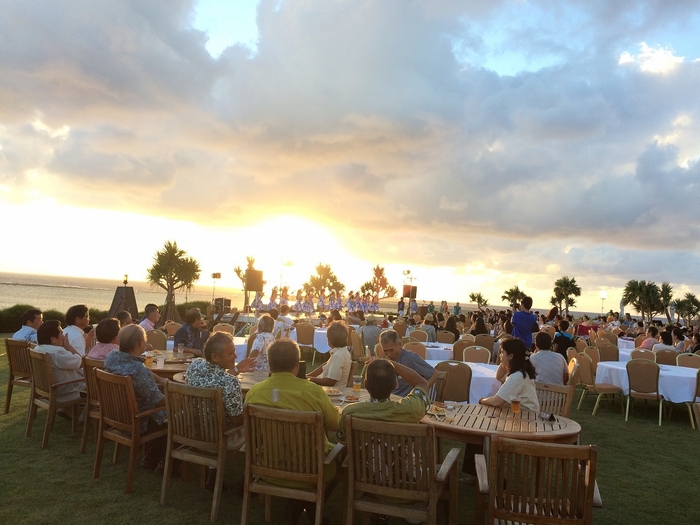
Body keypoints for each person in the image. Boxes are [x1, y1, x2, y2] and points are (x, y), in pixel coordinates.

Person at [245, 339, 340, 521]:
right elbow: (335, 425)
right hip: (311, 472)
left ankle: (298, 504)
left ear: (270, 365)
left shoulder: (254, 393)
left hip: (267, 468)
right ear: (297, 366)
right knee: (342, 456)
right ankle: (311, 506)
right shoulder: (313, 392)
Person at [184, 331, 257, 488]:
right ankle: (250, 479)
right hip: (217, 439)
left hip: (190, 432)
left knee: (215, 419)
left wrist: (236, 370)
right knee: (259, 428)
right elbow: (237, 421)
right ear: (215, 357)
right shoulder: (230, 383)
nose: (236, 357)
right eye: (231, 353)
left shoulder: (194, 365)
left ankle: (213, 474)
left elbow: (214, 379)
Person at [104, 324, 167, 471]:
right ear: (140, 342)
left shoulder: (112, 357)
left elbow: (144, 371)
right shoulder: (138, 371)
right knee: (175, 415)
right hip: (138, 421)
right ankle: (156, 459)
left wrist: (161, 381)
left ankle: (153, 456)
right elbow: (158, 401)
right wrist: (178, 398)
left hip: (116, 416)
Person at [336, 358, 430, 442]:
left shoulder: (350, 412)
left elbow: (343, 439)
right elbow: (423, 384)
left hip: (362, 461)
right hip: (400, 461)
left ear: (366, 384)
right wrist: (393, 363)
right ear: (395, 385)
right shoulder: (411, 409)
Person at [479, 338, 539, 412]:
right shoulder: (521, 372)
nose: (500, 355)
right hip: (520, 415)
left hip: (526, 417)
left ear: (511, 356)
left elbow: (496, 402)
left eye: (502, 353)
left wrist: (481, 400)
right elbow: (499, 377)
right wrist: (504, 360)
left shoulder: (517, 376)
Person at [34, 320, 84, 403]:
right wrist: (68, 346)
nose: (63, 336)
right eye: (61, 333)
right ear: (53, 339)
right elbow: (81, 363)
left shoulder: (38, 348)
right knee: (99, 387)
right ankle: (85, 415)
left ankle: (68, 410)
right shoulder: (57, 352)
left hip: (49, 389)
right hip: (67, 391)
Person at [380, 330, 437, 397]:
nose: (388, 354)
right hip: (389, 398)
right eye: (385, 351)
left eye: (391, 350)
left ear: (399, 344)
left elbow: (435, 374)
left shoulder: (411, 358)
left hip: (405, 400)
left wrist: (422, 392)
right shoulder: (384, 358)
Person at [308, 322, 352, 387]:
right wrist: (308, 375)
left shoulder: (338, 356)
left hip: (333, 390)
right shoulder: (342, 351)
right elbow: (325, 366)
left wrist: (309, 379)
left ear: (329, 340)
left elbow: (330, 381)